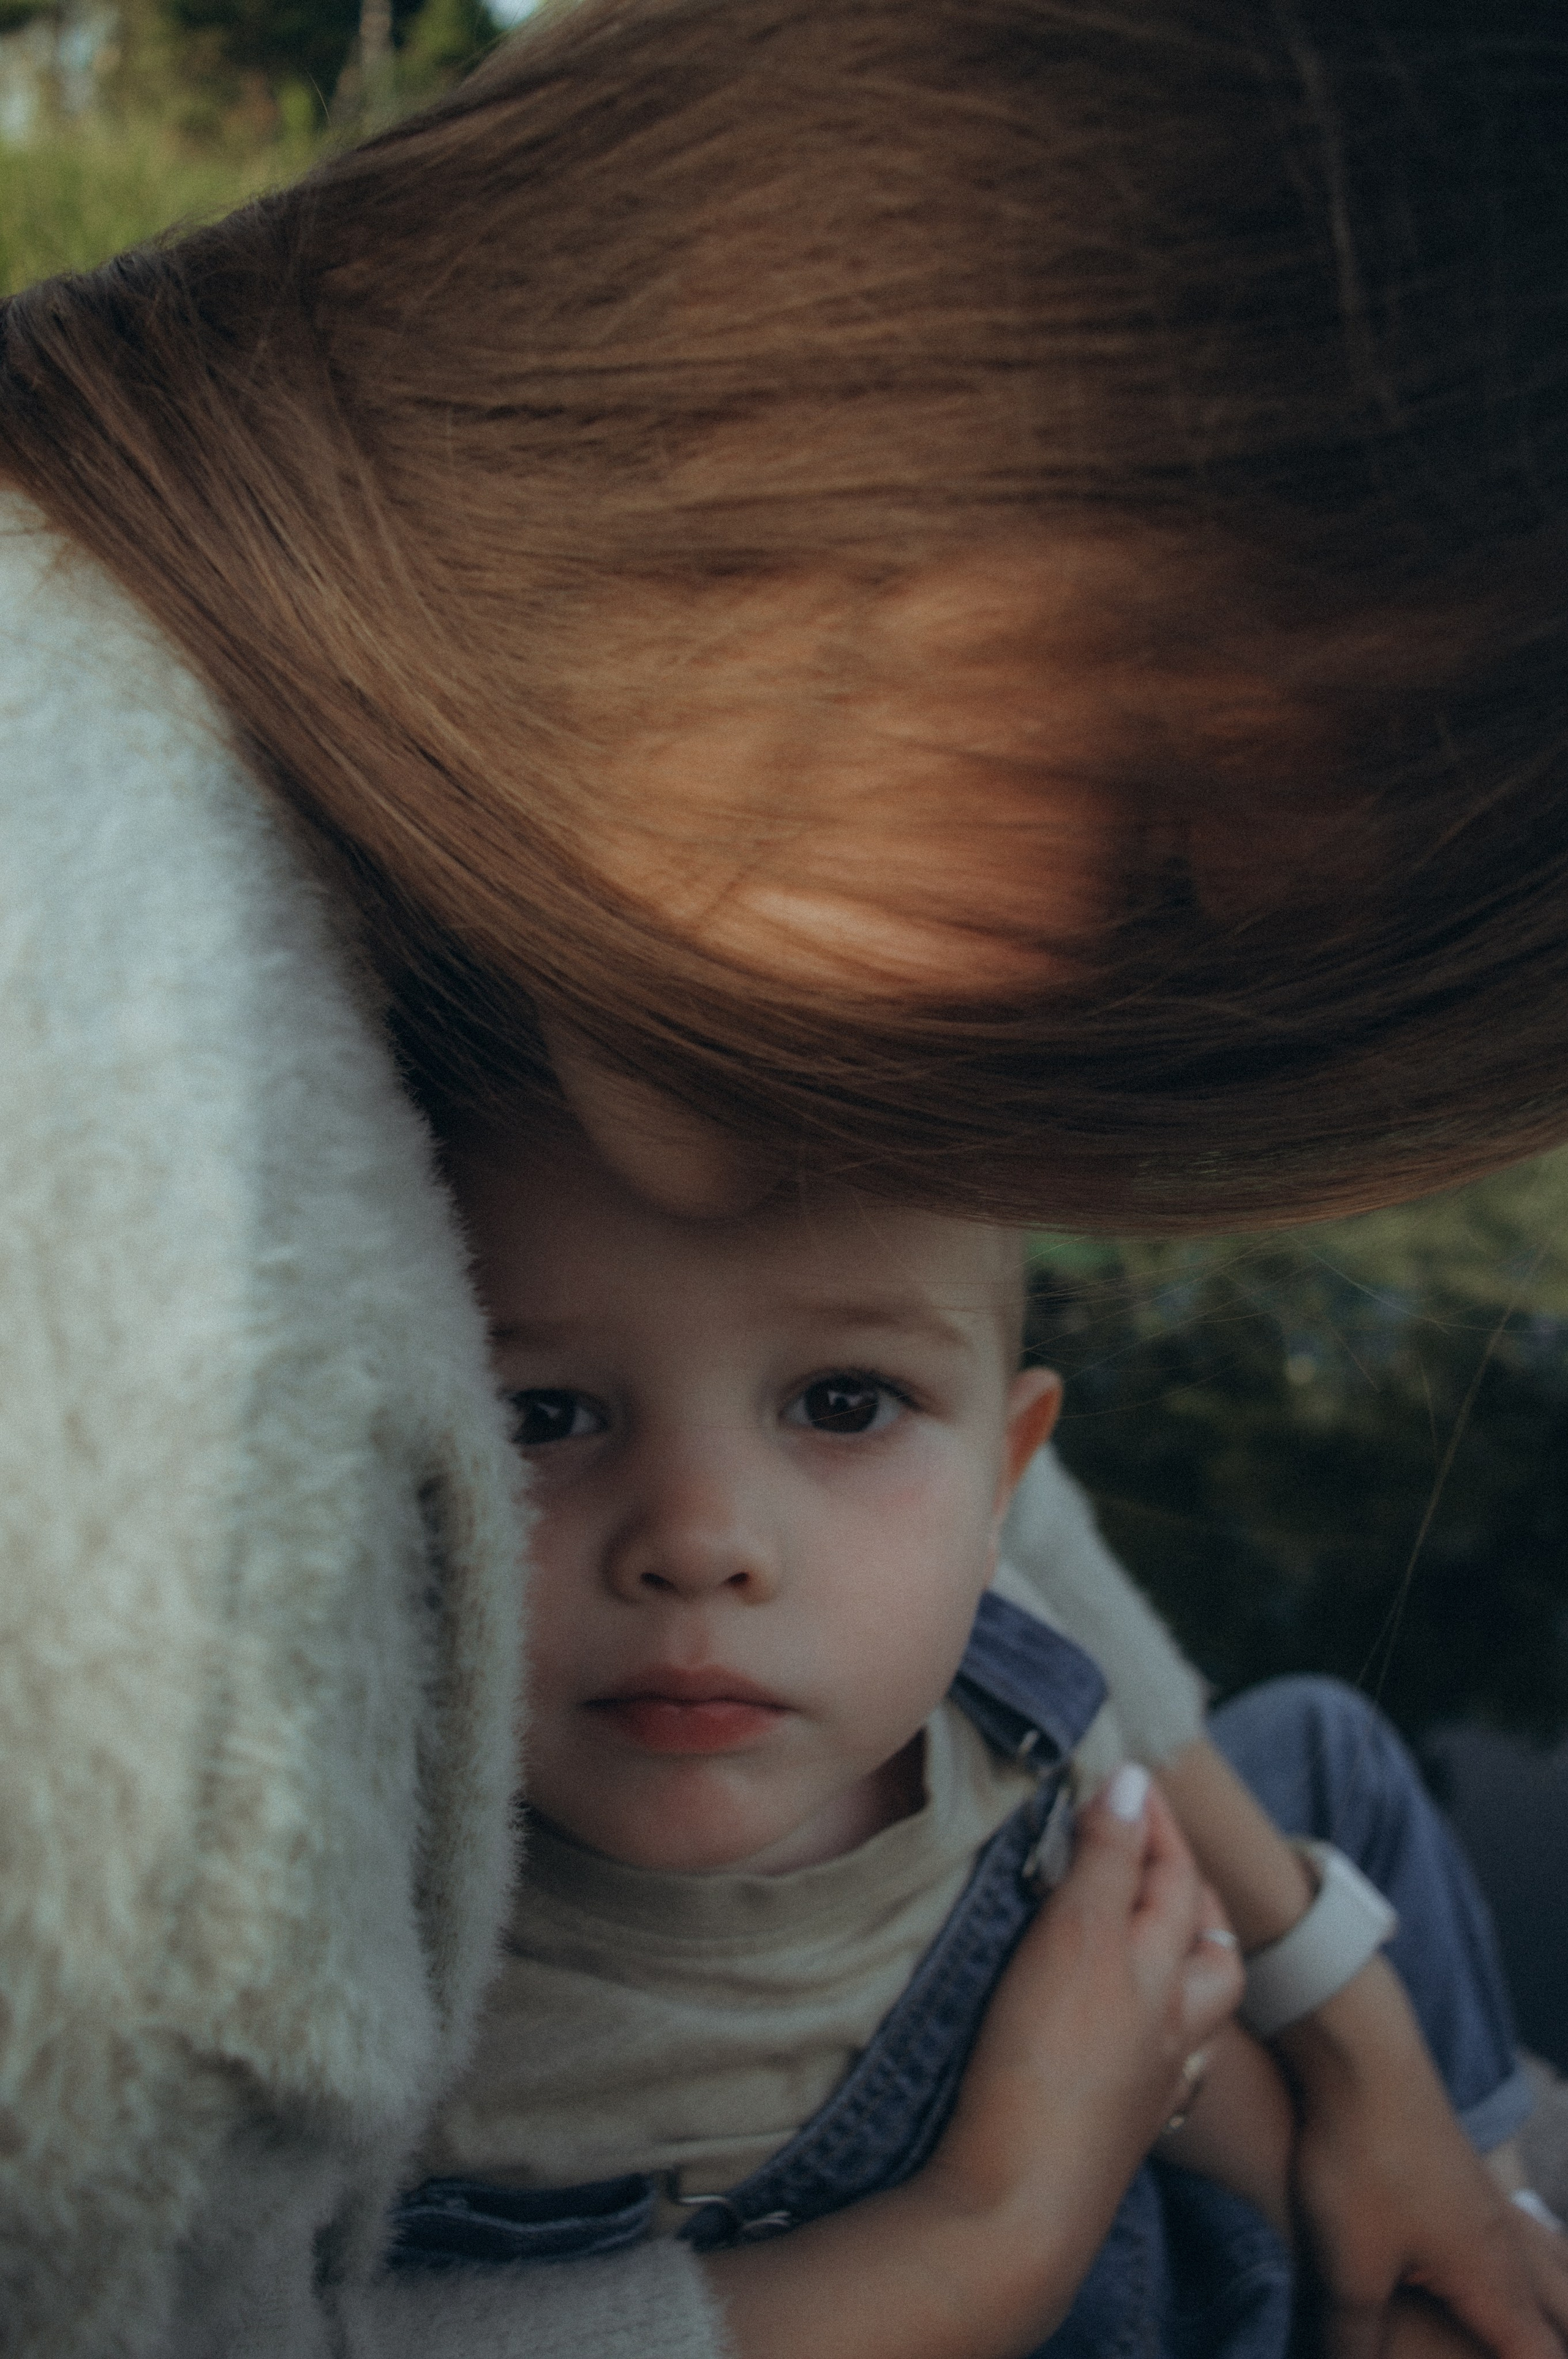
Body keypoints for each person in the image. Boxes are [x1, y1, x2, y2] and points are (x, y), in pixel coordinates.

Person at [6, 2, 1568, 2355]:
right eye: (1164, 874)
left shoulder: (487, 891)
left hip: (1078, 1990)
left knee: (1324, 1770)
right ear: (833, 389)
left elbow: (996, 1550)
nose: (1101, 1110)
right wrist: (983, 2248)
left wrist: (1357, 2059)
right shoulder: (152, 1287)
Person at [380, 1117, 1559, 2357]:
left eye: (842, 1403)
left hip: (1176, 2217)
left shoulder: (1006, 1702)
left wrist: (1367, 2243)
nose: (698, 1538)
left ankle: (1479, 2223)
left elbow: (1164, 1972)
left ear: (1001, 1482)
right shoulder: (385, 1959)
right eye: (541, 1415)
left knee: (1327, 1747)